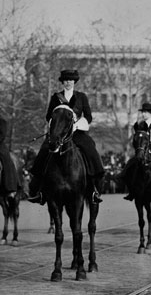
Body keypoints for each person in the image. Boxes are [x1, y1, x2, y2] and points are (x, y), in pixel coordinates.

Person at [27, 69, 105, 205]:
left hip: (77, 132)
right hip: (59, 133)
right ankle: (39, 191)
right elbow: (48, 116)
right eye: (65, 80)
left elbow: (88, 116)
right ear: (62, 82)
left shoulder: (81, 97)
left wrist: (77, 125)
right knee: (44, 151)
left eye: (70, 80)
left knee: (90, 150)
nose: (68, 83)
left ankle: (94, 189)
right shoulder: (55, 97)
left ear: (74, 82)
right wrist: (55, 127)